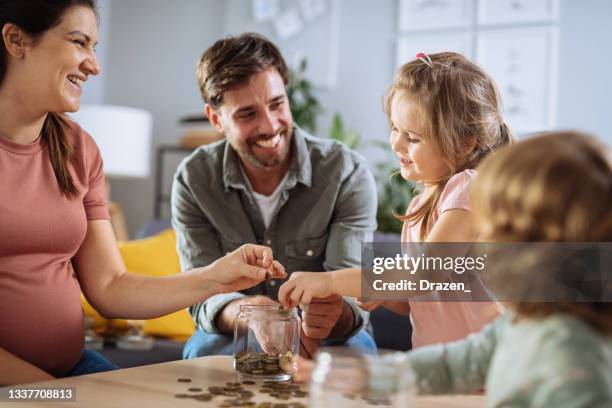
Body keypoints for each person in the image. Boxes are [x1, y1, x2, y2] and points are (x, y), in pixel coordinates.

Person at [0, 0, 285, 386]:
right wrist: (59, 396)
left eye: (94, 48)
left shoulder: (78, 149)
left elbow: (111, 287)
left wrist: (217, 277)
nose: (93, 65)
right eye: (79, 42)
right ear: (16, 40)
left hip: (68, 368)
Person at [288, 132, 612, 407]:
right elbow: (454, 364)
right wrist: (363, 376)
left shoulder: (579, 368)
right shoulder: (521, 324)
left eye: (493, 233)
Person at [279, 52, 511, 348]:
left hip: (486, 370)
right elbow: (418, 298)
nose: (397, 143)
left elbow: (424, 273)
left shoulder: (469, 191)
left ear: (466, 142)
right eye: (394, 129)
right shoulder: (418, 207)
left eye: (413, 138)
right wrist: (385, 293)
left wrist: (330, 281)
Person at [172, 33, 378, 359]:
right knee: (204, 354)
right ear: (216, 119)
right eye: (247, 114)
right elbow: (199, 293)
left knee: (358, 356)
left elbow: (357, 293)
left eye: (277, 104)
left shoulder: (346, 173)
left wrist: (332, 313)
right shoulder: (193, 180)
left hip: (329, 339)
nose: (270, 126)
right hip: (235, 330)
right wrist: (251, 311)